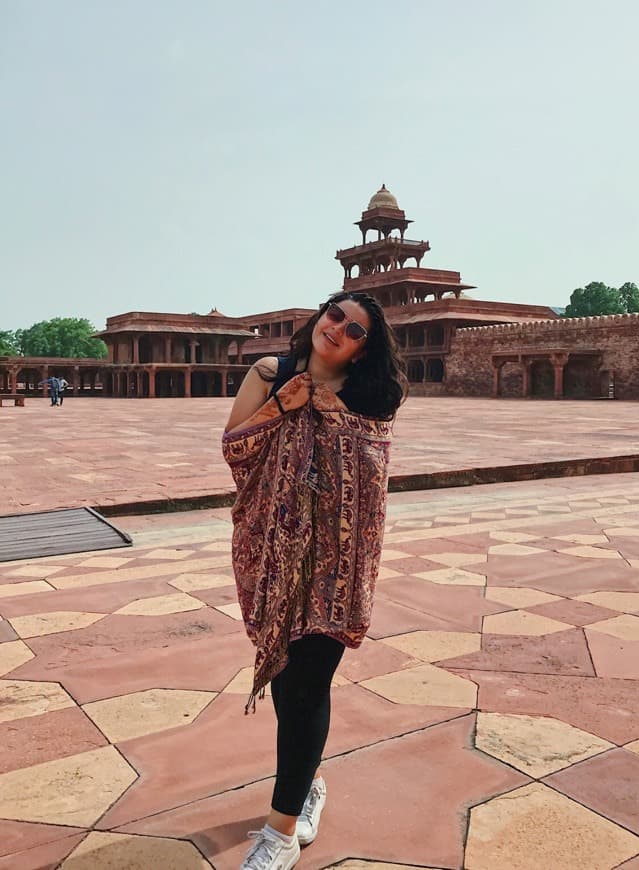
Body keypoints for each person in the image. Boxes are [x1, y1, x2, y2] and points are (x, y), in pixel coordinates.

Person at [222, 291, 406, 870]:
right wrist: (287, 404)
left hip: (340, 560)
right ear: (318, 318)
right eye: (335, 316)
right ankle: (308, 786)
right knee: (284, 679)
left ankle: (279, 835)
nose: (339, 330)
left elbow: (369, 471)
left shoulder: (375, 397)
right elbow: (234, 449)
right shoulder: (270, 372)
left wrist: (327, 411)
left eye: (355, 331)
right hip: (274, 552)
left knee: (308, 682)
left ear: (363, 350)